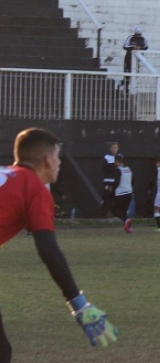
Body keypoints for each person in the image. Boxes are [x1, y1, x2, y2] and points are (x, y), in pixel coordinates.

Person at [0, 128, 119, 357]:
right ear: (47, 160)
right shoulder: (34, 188)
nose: (59, 163)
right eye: (57, 157)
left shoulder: (7, 175)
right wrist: (79, 304)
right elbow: (48, 248)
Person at [109, 154, 134, 233]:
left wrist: (112, 189)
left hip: (121, 193)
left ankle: (126, 220)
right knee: (123, 211)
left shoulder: (118, 170)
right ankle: (129, 228)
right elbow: (133, 181)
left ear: (116, 161)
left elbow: (116, 181)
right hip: (129, 193)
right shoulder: (128, 169)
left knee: (115, 210)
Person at [101, 142, 119, 216]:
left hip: (116, 181)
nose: (115, 150)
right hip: (109, 181)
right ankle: (102, 215)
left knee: (114, 198)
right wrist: (113, 165)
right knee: (107, 198)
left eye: (116, 148)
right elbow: (105, 168)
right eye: (113, 148)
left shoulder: (119, 157)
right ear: (110, 149)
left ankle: (115, 215)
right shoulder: (107, 157)